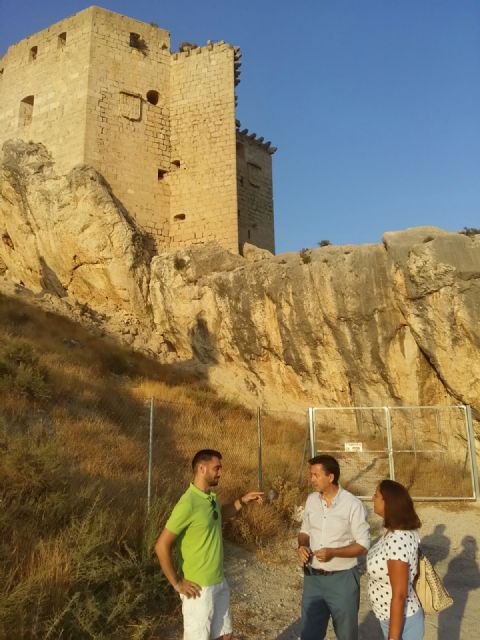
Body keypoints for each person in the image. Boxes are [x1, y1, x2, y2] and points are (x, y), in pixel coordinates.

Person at [155, 449, 263, 640]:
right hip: (198, 588)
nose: (220, 472)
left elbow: (218, 516)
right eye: (217, 468)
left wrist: (242, 501)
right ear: (201, 469)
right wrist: (177, 583)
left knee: (225, 635)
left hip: (219, 580)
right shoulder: (188, 503)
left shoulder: (210, 497)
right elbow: (161, 545)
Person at [297, 454, 370, 640]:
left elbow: (363, 545)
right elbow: (304, 531)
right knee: (309, 634)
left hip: (343, 581)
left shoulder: (353, 505)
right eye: (311, 474)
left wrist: (333, 553)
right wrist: (302, 546)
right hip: (313, 580)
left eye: (316, 475)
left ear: (331, 477)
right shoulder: (312, 500)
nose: (312, 479)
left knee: (346, 635)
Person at [367, 479, 424, 640]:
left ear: (388, 502)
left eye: (376, 495)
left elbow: (399, 595)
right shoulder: (394, 530)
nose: (373, 498)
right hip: (391, 617)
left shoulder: (397, 540)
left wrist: (393, 637)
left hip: (401, 622)